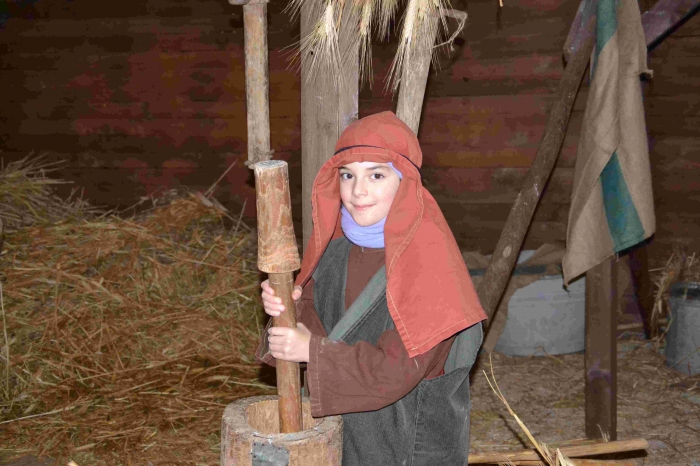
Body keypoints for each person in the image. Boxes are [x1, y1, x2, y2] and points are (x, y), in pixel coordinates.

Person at [257, 111, 486, 466]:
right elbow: (320, 323)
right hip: (345, 437)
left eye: (376, 175)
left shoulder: (431, 265)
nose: (358, 190)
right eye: (348, 175)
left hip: (406, 445)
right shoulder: (336, 250)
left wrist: (311, 351)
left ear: (404, 182)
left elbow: (395, 372)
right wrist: (289, 309)